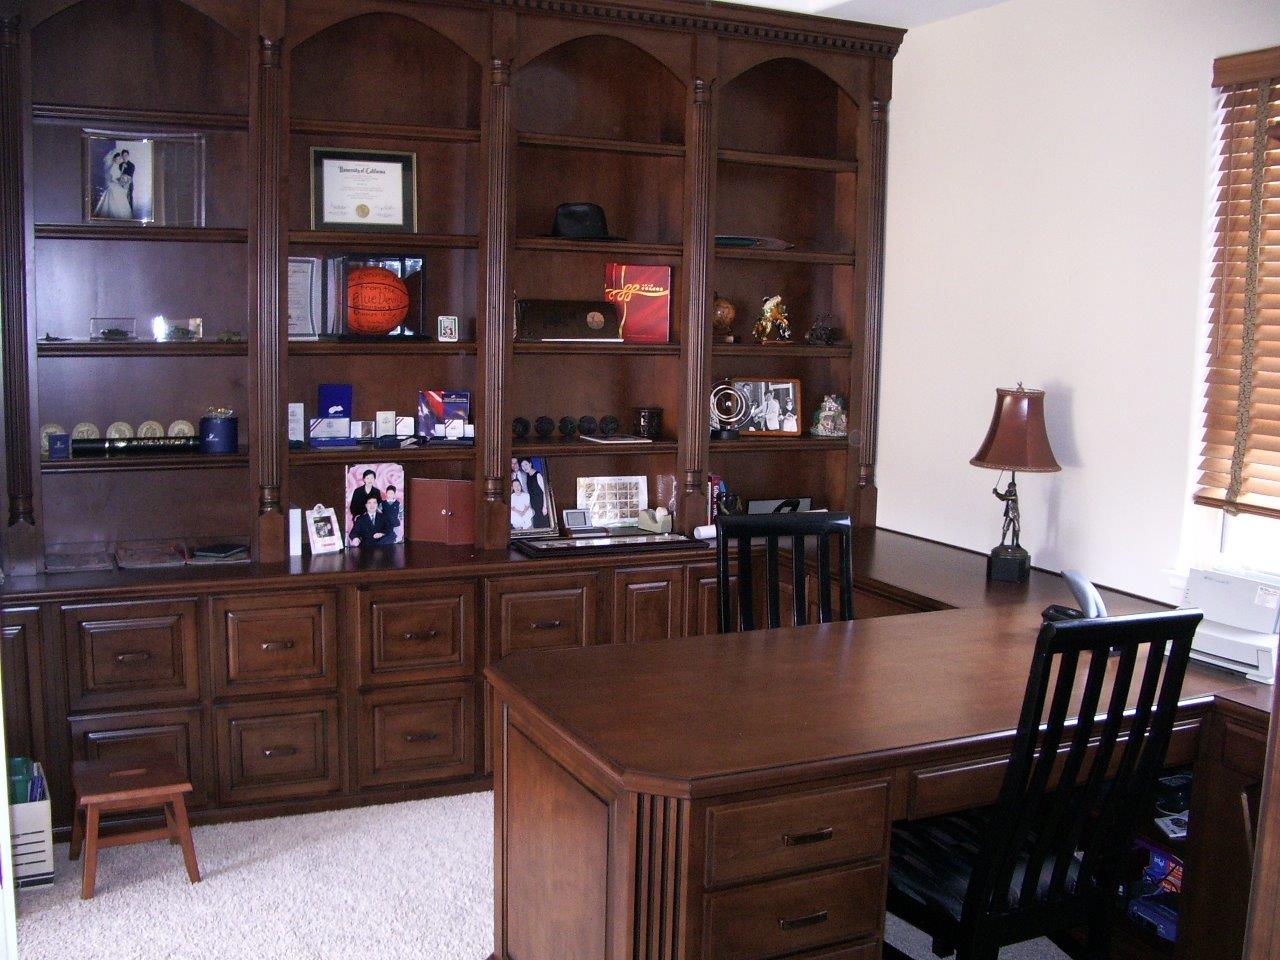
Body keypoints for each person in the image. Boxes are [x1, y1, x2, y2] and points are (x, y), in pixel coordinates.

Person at [93, 150, 132, 220]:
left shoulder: (116, 166)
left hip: (117, 186)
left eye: (120, 158)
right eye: (119, 158)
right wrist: (121, 181)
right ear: (114, 159)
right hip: (114, 187)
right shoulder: (113, 168)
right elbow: (113, 179)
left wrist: (122, 180)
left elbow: (118, 176)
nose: (121, 159)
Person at [520, 458, 550, 528]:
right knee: (537, 526)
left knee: (544, 525)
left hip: (541, 505)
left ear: (530, 464)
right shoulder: (527, 476)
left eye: (526, 464)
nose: (524, 467)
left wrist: (545, 507)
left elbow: (545, 491)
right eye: (522, 466)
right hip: (534, 505)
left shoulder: (538, 475)